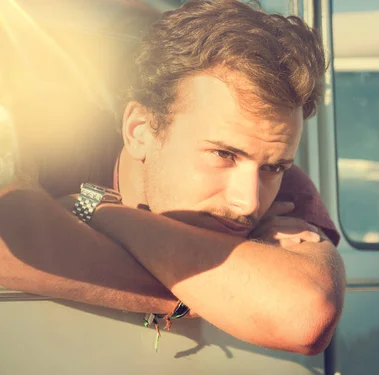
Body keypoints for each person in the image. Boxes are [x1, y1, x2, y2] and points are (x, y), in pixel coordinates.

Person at [0, 0, 345, 356]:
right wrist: (217, 293)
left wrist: (100, 212)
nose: (249, 202)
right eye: (223, 154)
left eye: (272, 168)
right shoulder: (58, 147)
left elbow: (304, 315)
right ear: (140, 131)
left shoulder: (280, 177)